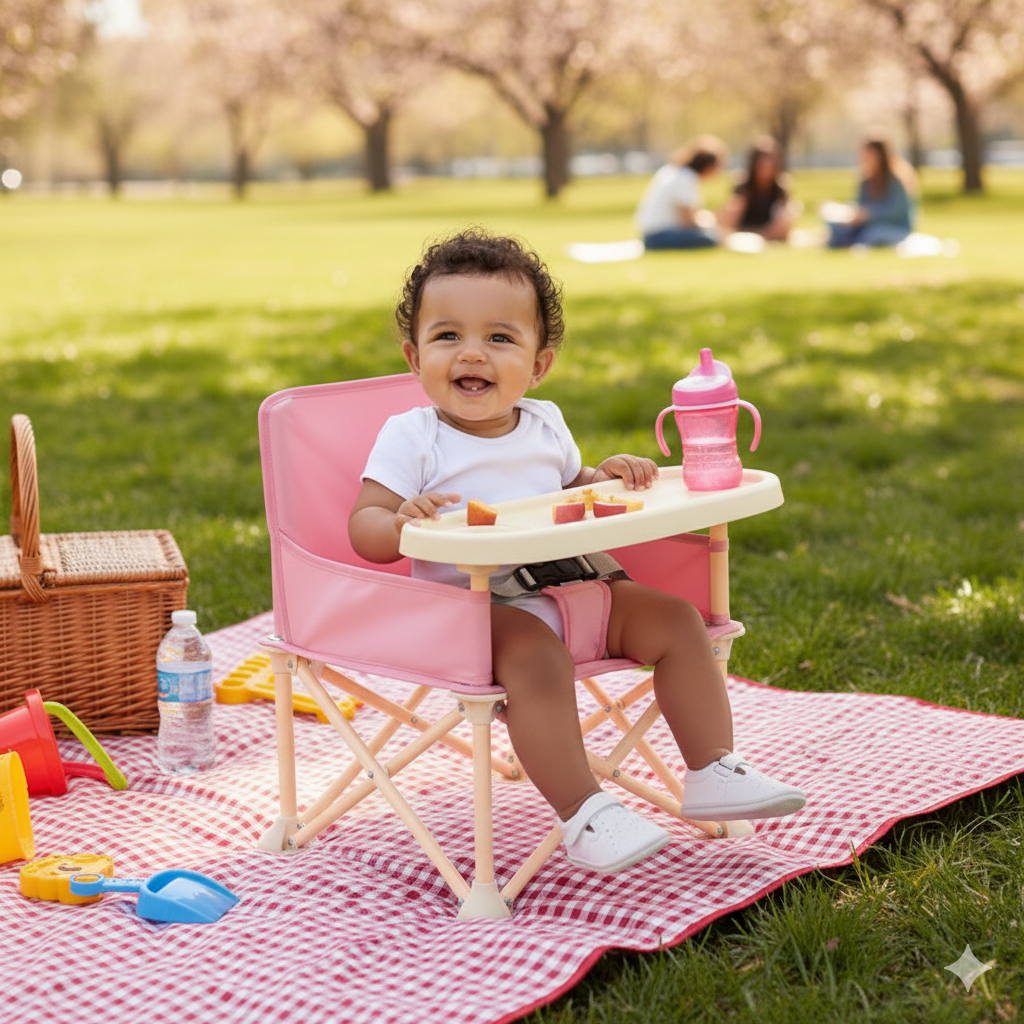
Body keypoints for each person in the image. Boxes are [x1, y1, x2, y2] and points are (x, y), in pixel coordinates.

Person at [349, 230, 806, 874]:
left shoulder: (545, 422)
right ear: (413, 355)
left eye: (499, 338)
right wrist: (399, 521)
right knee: (538, 661)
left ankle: (710, 769)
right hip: (476, 608)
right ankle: (584, 812)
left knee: (678, 621)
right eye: (448, 336)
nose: (472, 353)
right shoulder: (413, 436)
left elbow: (571, 490)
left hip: (578, 579)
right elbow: (363, 525)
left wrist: (605, 477)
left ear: (539, 365)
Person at [634, 136, 728, 250]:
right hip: (659, 236)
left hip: (653, 234)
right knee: (711, 237)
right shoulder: (685, 178)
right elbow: (687, 221)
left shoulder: (674, 172)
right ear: (708, 166)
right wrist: (712, 225)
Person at [825, 135, 916, 249]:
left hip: (893, 227)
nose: (864, 158)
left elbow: (896, 213)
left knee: (873, 234)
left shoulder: (896, 180)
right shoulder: (866, 181)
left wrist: (869, 215)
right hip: (867, 225)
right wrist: (849, 213)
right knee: (837, 228)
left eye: (869, 154)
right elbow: (859, 204)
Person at [718, 137, 797, 242]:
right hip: (742, 230)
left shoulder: (780, 187)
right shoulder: (743, 186)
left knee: (790, 210)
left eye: (770, 165)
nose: (766, 170)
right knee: (735, 205)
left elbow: (784, 223)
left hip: (768, 231)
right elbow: (727, 217)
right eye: (761, 165)